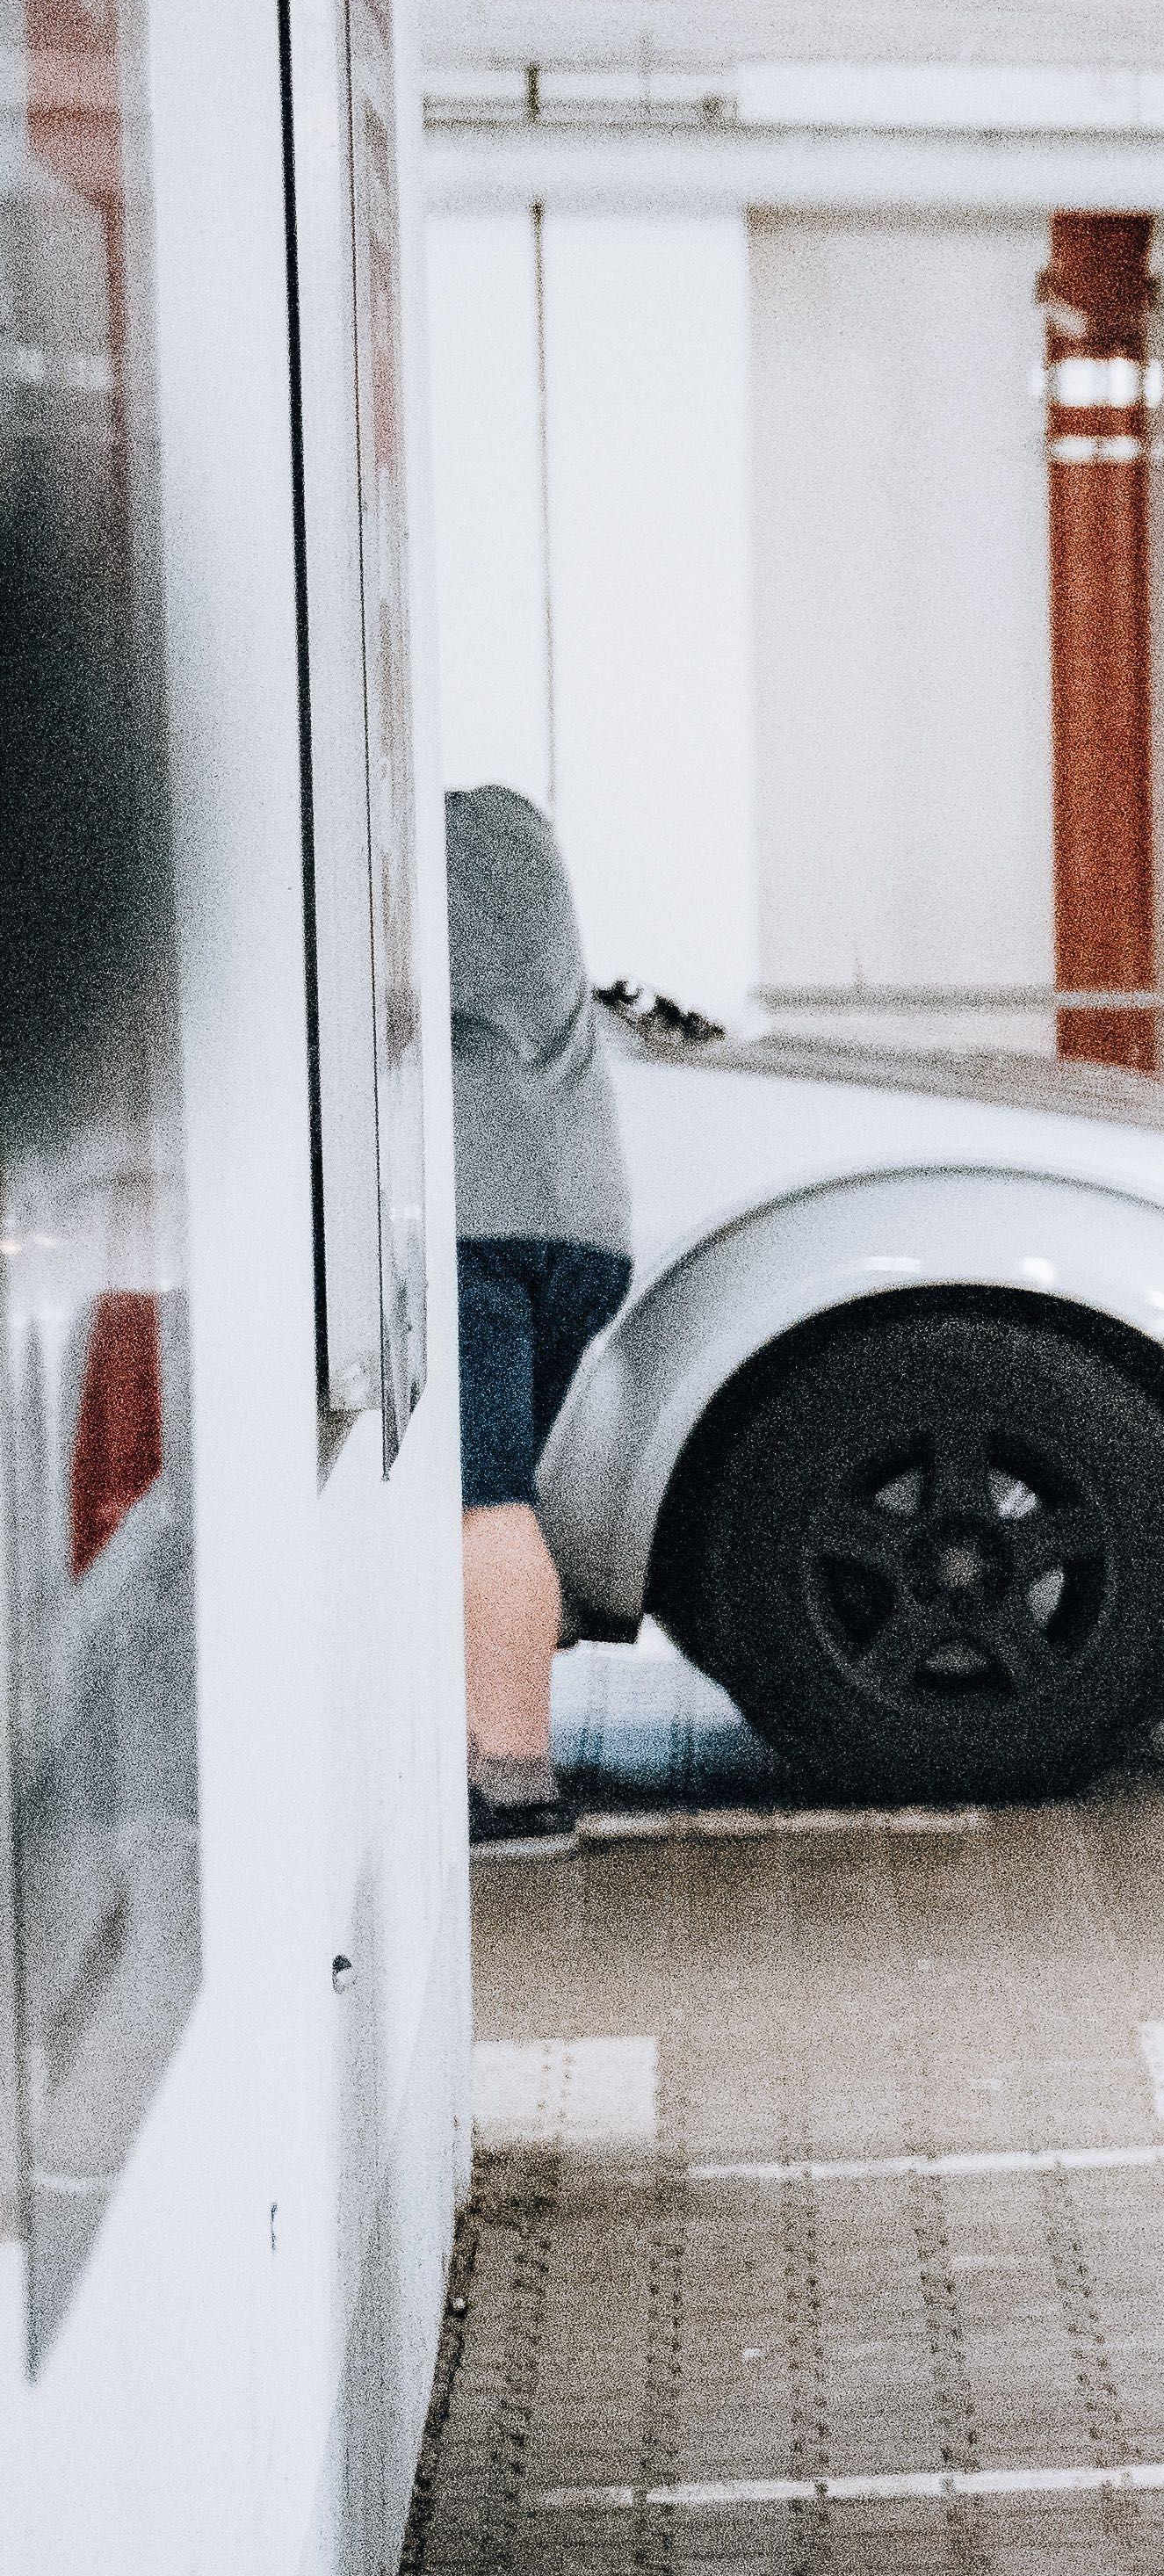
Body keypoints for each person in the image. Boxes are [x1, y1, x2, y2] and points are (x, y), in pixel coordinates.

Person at [450, 786, 639, 1859]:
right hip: (582, 1224)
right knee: (492, 1500)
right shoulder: (513, 829)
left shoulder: (398, 836)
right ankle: (474, 1746)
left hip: (473, 1224)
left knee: (481, 1505)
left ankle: (514, 1784)